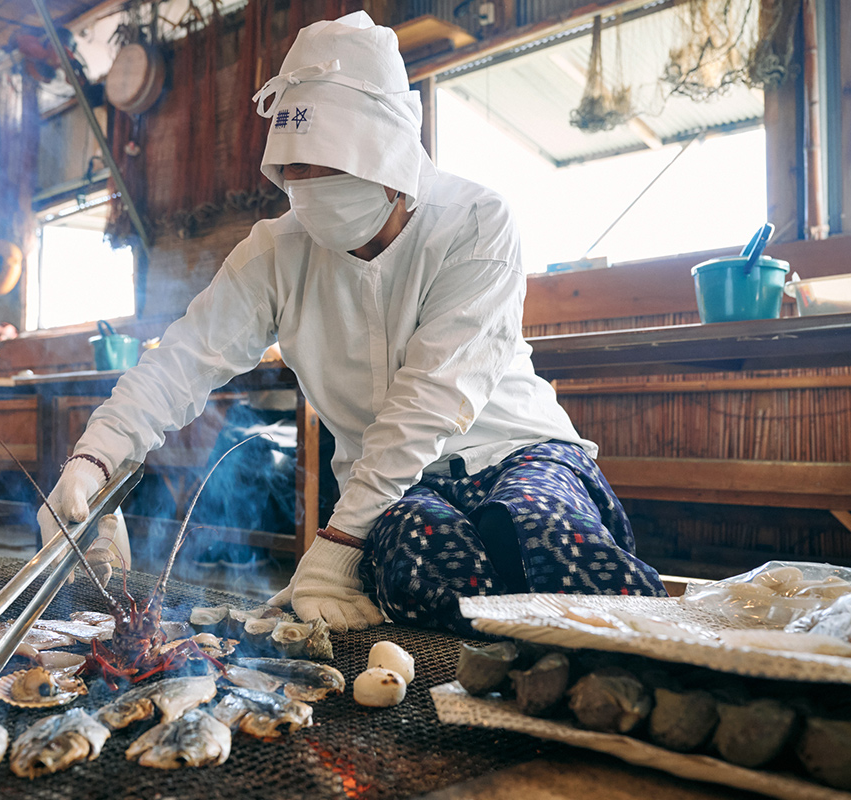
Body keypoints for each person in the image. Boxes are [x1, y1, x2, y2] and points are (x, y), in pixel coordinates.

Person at [39, 11, 666, 636]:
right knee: (418, 567)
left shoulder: (475, 222)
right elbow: (181, 363)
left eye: (327, 166)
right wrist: (93, 462)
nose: (307, 187)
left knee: (541, 534)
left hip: (516, 451)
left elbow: (433, 397)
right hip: (391, 491)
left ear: (389, 160)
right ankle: (524, 651)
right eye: (295, 170)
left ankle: (636, 647)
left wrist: (337, 544)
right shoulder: (275, 252)